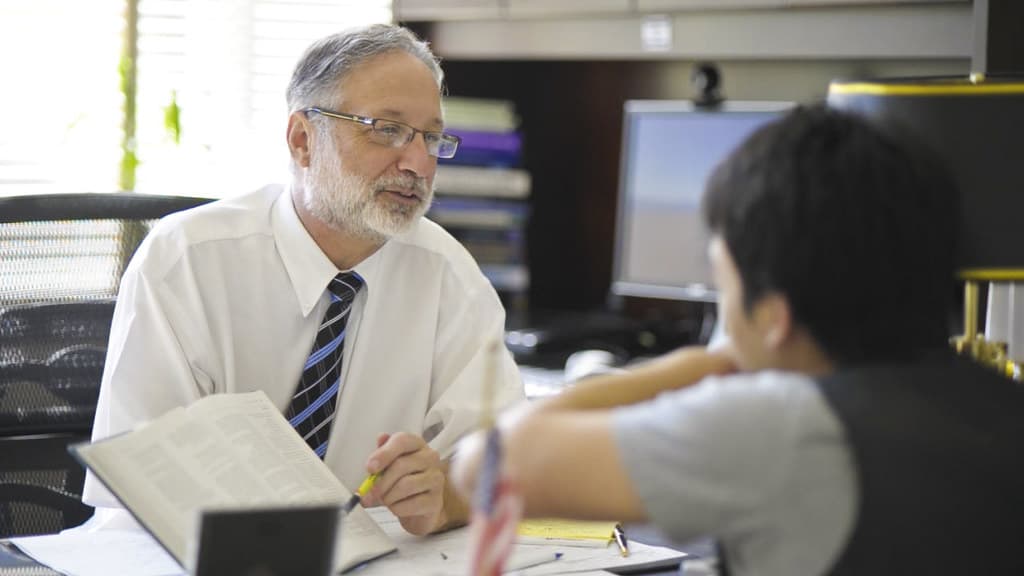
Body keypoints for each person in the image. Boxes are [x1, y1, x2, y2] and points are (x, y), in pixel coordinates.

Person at [453, 106, 1024, 574]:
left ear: (773, 316)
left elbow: (487, 465)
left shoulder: (786, 428)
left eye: (724, 286)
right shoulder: (999, 401)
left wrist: (706, 361)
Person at [84, 23, 523, 536]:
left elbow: (508, 461)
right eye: (387, 129)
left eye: (431, 137)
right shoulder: (187, 261)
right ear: (302, 140)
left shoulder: (448, 274)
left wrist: (444, 497)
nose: (418, 162)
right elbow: (142, 485)